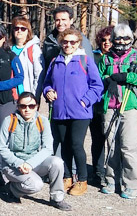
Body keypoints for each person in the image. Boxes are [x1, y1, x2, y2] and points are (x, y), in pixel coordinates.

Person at [40, 28, 103, 197]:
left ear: (78, 43)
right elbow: (47, 82)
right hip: (60, 111)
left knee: (76, 144)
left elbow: (97, 86)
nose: (68, 45)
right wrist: (48, 91)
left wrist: (85, 100)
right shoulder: (55, 61)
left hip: (80, 112)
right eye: (65, 42)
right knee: (63, 144)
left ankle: (82, 180)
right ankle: (67, 177)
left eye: (73, 42)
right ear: (61, 42)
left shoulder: (85, 61)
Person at [97, 23, 137, 199]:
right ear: (112, 39)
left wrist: (127, 76)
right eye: (118, 38)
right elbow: (98, 78)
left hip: (130, 106)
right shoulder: (106, 58)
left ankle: (131, 183)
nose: (121, 41)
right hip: (110, 106)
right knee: (111, 144)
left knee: (128, 146)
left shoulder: (136, 57)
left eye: (125, 38)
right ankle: (111, 179)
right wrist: (109, 80)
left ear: (131, 39)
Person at [0, 92, 71, 211]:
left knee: (57, 162)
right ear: (18, 106)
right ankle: (12, 190)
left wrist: (30, 164)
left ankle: (57, 198)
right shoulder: (9, 120)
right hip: (13, 165)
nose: (27, 109)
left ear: (36, 106)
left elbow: (48, 148)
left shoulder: (42, 121)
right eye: (23, 106)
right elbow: (2, 147)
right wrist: (18, 163)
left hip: (33, 163)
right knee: (36, 185)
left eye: (31, 106)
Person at [0, 24, 25, 182]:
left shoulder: (11, 56)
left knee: (3, 135)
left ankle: (4, 171)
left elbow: (19, 78)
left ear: (4, 38)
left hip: (6, 100)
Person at [88, 26, 114, 184]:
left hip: (112, 104)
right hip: (95, 104)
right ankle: (98, 172)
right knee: (97, 140)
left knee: (113, 139)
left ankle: (113, 171)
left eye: (110, 40)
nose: (106, 43)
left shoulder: (117, 58)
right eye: (103, 40)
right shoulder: (93, 56)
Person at [10, 15, 43, 95]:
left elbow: (38, 74)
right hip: (10, 96)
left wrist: (35, 96)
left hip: (27, 94)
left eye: (23, 29)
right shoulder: (8, 49)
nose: (19, 31)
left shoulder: (33, 49)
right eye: (16, 28)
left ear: (28, 31)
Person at [41, 5, 75, 74]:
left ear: (71, 20)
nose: (60, 23)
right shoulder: (49, 41)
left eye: (63, 20)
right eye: (57, 20)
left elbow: (87, 67)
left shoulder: (79, 40)